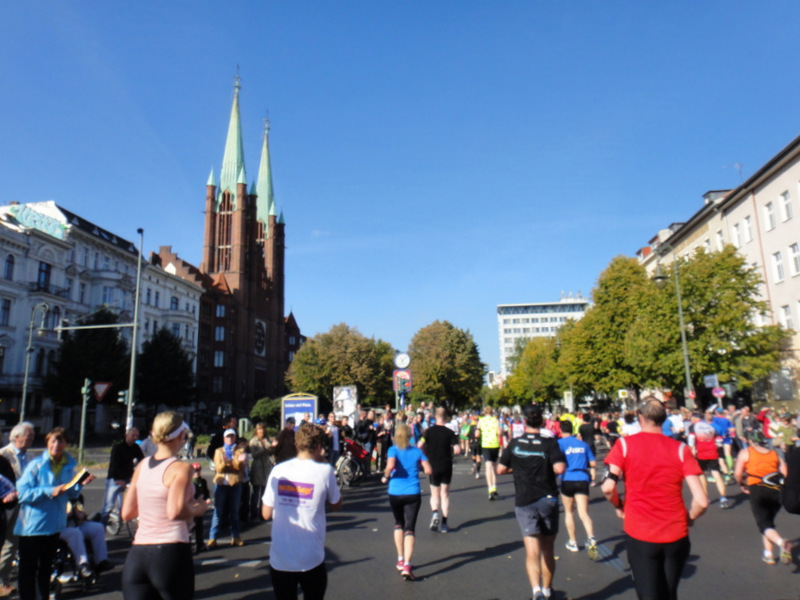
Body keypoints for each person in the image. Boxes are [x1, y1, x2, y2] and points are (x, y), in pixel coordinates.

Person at [602, 398, 708, 600]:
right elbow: (702, 501)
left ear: (640, 417)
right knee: (669, 594)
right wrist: (690, 517)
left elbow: (608, 487)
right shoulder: (680, 449)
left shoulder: (624, 445)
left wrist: (619, 505)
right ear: (664, 418)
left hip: (641, 533)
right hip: (676, 533)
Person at [121, 412, 207, 600]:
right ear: (181, 436)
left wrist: (151, 505)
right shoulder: (181, 468)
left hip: (138, 554)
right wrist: (197, 509)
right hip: (170, 551)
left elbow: (127, 513)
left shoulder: (142, 465)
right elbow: (174, 511)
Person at [263, 423, 342, 600]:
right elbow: (336, 504)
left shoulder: (279, 470)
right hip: (311, 557)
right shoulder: (325, 471)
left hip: (281, 557)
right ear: (319, 446)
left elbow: (266, 513)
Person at [16, 427, 94, 600]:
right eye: (53, 441)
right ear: (47, 443)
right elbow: (21, 494)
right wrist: (49, 491)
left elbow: (71, 494)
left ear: (66, 444)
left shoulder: (69, 466)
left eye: (61, 441)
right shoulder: (36, 465)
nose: (56, 445)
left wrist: (80, 484)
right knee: (29, 570)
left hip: (54, 525)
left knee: (45, 570)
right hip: (32, 526)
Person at [497, 403, 566, 600]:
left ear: (524, 421)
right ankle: (547, 588)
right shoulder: (550, 443)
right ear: (543, 421)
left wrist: (517, 469)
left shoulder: (515, 444)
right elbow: (560, 468)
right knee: (548, 549)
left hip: (524, 500)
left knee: (532, 551)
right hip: (547, 498)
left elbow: (500, 469)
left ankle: (536, 591)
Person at [382, 424, 432, 581]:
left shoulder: (393, 450)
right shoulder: (417, 451)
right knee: (410, 528)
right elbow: (429, 470)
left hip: (395, 491)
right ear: (410, 436)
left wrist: (385, 475)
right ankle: (408, 566)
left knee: (398, 523)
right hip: (412, 492)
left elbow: (390, 465)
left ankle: (400, 559)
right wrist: (419, 467)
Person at [734, 430, 791, 565]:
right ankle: (768, 554)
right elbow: (785, 472)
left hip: (758, 489)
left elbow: (737, 473)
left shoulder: (746, 452)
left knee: (764, 523)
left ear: (751, 441)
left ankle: (782, 543)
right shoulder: (775, 454)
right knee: (767, 522)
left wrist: (742, 483)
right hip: (776, 491)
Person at [0, 421, 33, 597]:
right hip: (5, 506)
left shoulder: (29, 456)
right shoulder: (4, 454)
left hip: (22, 503)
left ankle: (2, 580)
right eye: (29, 436)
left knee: (12, 543)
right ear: (17, 437)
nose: (31, 439)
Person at [418, 407, 462, 533]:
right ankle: (444, 523)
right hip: (446, 465)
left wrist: (424, 455)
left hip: (433, 465)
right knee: (445, 494)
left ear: (434, 417)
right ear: (445, 417)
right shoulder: (450, 432)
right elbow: (457, 449)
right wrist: (454, 450)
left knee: (434, 494)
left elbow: (420, 445)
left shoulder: (428, 431)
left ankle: (435, 513)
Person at [557, 420, 597, 556]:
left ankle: (573, 542)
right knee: (584, 513)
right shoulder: (583, 445)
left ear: (560, 429)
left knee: (569, 512)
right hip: (582, 478)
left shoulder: (559, 444)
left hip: (567, 478)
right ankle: (591, 538)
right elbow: (593, 462)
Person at [208, 429, 246, 548]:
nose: (230, 439)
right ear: (224, 439)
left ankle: (236, 537)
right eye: (228, 437)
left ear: (235, 438)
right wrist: (227, 464)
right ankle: (212, 538)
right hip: (221, 484)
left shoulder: (239, 451)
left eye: (232, 437)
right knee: (218, 512)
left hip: (235, 484)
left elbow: (239, 467)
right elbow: (219, 468)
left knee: (234, 512)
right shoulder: (219, 451)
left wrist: (235, 464)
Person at [100, 426, 143, 524]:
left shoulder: (136, 448)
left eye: (137, 436)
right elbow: (113, 465)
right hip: (114, 479)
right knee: (108, 507)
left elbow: (142, 461)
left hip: (128, 477)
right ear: (126, 435)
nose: (135, 438)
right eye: (133, 435)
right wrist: (117, 479)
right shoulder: (118, 447)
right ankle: (100, 529)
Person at [60, 499, 112, 577]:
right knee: (75, 533)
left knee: (98, 528)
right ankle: (82, 565)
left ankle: (101, 561)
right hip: (58, 528)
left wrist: (81, 514)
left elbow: (79, 508)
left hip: (74, 524)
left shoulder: (73, 494)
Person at [689, 410, 730, 509]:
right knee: (716, 474)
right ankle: (723, 498)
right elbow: (719, 440)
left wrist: (692, 450)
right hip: (713, 452)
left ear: (695, 419)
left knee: (701, 475)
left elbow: (691, 440)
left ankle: (705, 497)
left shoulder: (694, 427)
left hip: (701, 454)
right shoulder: (711, 427)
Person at [248, 422, 273, 522]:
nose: (261, 431)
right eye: (259, 429)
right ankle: (254, 514)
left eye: (262, 429)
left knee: (265, 493)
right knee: (256, 493)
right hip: (257, 468)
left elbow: (270, 452)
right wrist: (264, 448)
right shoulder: (253, 441)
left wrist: (272, 447)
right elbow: (254, 455)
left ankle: (263, 514)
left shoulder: (266, 440)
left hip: (266, 468)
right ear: (256, 430)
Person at [477, 406, 502, 500]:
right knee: (494, 467)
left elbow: (477, 433)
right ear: (492, 412)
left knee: (488, 467)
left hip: (486, 444)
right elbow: (499, 432)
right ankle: (494, 487)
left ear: (484, 412)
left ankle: (490, 488)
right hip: (495, 444)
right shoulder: (496, 420)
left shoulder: (481, 420)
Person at [191, 463, 210, 554]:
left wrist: (207, 498)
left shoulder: (202, 481)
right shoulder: (190, 482)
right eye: (195, 471)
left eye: (198, 470)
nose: (197, 472)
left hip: (200, 506)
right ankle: (189, 545)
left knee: (199, 527)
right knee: (191, 527)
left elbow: (206, 491)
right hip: (193, 507)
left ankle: (200, 544)